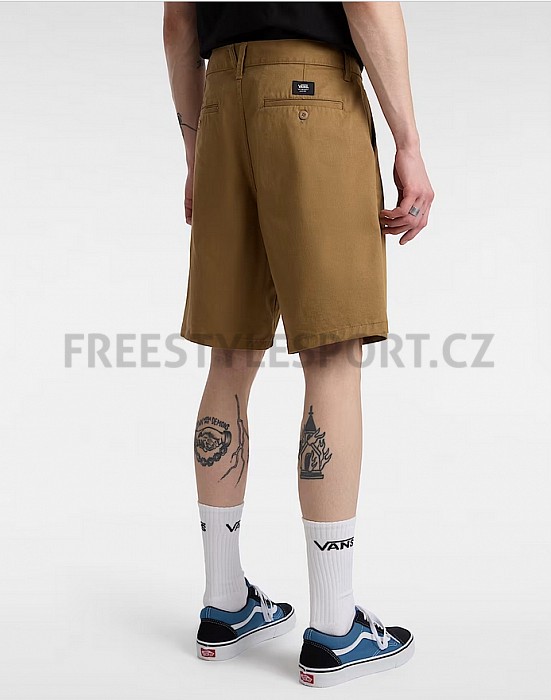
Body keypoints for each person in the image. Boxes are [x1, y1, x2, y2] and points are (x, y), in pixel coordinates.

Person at [163, 1, 434, 687]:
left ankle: (224, 605)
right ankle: (336, 629)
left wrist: (197, 149)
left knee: (229, 359)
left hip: (221, 104)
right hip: (311, 98)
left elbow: (178, 23)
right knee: (333, 358)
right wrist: (407, 142)